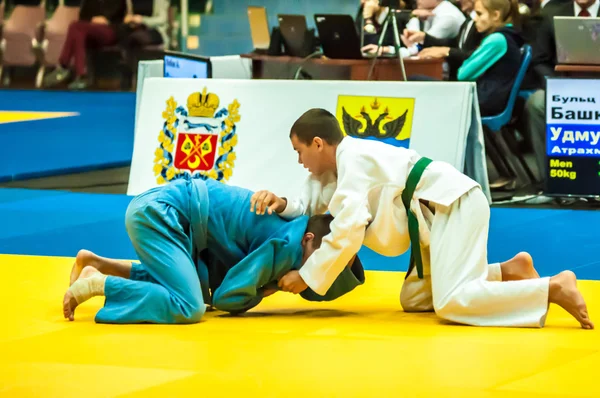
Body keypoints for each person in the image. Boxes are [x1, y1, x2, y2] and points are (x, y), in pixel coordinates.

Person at [250, 108, 593, 329]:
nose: (299, 161)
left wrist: (308, 276)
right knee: (415, 300)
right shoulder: (330, 175)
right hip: (431, 222)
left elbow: (349, 229)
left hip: (451, 204)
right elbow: (305, 204)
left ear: (318, 143)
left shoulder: (354, 159)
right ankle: (508, 271)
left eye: (299, 151)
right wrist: (279, 204)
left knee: (451, 303)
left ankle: (550, 288)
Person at [63, 178, 364, 323]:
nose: (321, 266)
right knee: (189, 306)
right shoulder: (287, 246)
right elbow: (227, 297)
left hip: (169, 211)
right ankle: (98, 285)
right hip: (161, 214)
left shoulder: (296, 231)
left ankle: (96, 265)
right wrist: (272, 287)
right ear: (308, 238)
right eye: (324, 257)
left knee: (196, 282)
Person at [43, 0, 128, 90]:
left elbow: (120, 16)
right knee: (77, 31)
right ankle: (81, 76)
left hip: (110, 30)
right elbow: (83, 17)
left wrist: (105, 19)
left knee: (75, 26)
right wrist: (92, 20)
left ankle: (65, 66)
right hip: (88, 30)